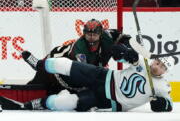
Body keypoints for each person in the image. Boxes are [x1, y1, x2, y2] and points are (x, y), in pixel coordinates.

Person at [0, 38, 174, 112]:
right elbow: (115, 52)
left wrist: (161, 105)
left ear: (165, 72)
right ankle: (39, 64)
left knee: (65, 102)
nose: (156, 66)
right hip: (103, 77)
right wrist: (125, 52)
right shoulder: (141, 61)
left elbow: (169, 106)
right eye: (157, 62)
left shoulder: (161, 86)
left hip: (108, 101)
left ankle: (31, 106)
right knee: (68, 65)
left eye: (160, 67)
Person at [0, 19, 133, 111]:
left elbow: (122, 36)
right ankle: (38, 65)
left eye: (94, 34)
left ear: (100, 33)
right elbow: (85, 73)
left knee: (67, 100)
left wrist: (128, 49)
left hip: (73, 77)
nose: (91, 37)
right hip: (54, 71)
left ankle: (41, 100)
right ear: (84, 33)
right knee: (35, 87)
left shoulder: (107, 36)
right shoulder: (79, 49)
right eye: (88, 34)